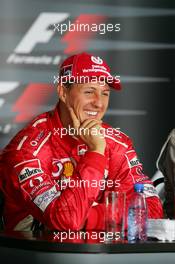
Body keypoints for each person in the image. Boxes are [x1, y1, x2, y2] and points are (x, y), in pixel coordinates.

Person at [0, 52, 163, 231]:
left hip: (102, 255)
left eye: (105, 93)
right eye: (89, 91)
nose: (99, 103)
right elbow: (67, 222)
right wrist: (95, 151)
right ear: (63, 92)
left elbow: (151, 210)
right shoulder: (26, 150)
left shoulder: (117, 143)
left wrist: (89, 216)